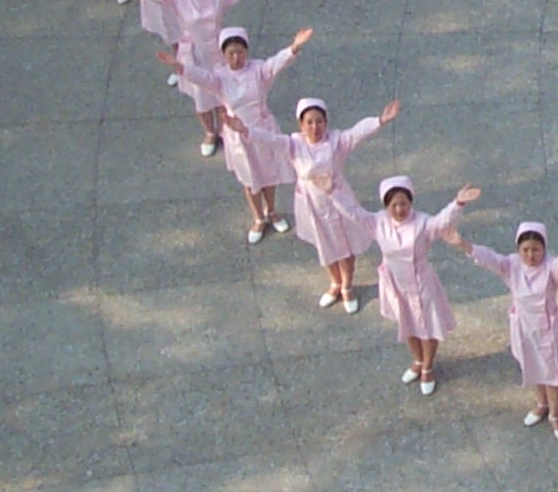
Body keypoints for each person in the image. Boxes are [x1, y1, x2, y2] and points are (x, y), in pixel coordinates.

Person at [95, 0, 300, 154]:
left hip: (219, 51)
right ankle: (210, 132)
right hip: (194, 52)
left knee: (224, 94)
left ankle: (227, 129)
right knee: (201, 98)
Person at [227, 98, 399, 309]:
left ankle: (347, 286)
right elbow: (270, 139)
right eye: (309, 122)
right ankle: (335, 282)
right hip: (312, 205)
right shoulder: (294, 145)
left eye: (319, 122)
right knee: (324, 244)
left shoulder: (337, 142)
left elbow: (357, 132)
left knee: (345, 245)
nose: (315, 127)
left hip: (339, 200)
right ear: (301, 124)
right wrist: (245, 130)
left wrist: (380, 120)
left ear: (326, 123)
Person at [441, 224, 558, 440]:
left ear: (544, 249)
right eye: (525, 249)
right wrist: (464, 245)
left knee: (554, 373)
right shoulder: (511, 265)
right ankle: (542, 403)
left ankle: (555, 415)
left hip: (549, 327)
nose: (530, 255)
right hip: (524, 327)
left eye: (536, 249)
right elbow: (489, 258)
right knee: (533, 365)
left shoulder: (550, 267)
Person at [333, 175, 480, 396]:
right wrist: (332, 192)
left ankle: (428, 366)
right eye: (393, 205)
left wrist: (457, 203)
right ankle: (418, 360)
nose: (399, 209)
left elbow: (442, 222)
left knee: (428, 325)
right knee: (407, 322)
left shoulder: (422, 223)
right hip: (395, 282)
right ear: (386, 206)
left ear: (411, 202)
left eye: (403, 204)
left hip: (421, 280)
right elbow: (353, 212)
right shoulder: (378, 222)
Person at [162, 27, 310, 242]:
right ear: (223, 54)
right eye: (231, 53)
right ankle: (258, 217)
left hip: (263, 129)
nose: (236, 57)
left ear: (246, 51)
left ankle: (271, 210)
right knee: (249, 178)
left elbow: (276, 63)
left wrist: (294, 47)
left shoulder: (258, 71)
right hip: (238, 136)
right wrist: (179, 66)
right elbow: (201, 77)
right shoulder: (220, 77)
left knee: (269, 173)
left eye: (240, 52)